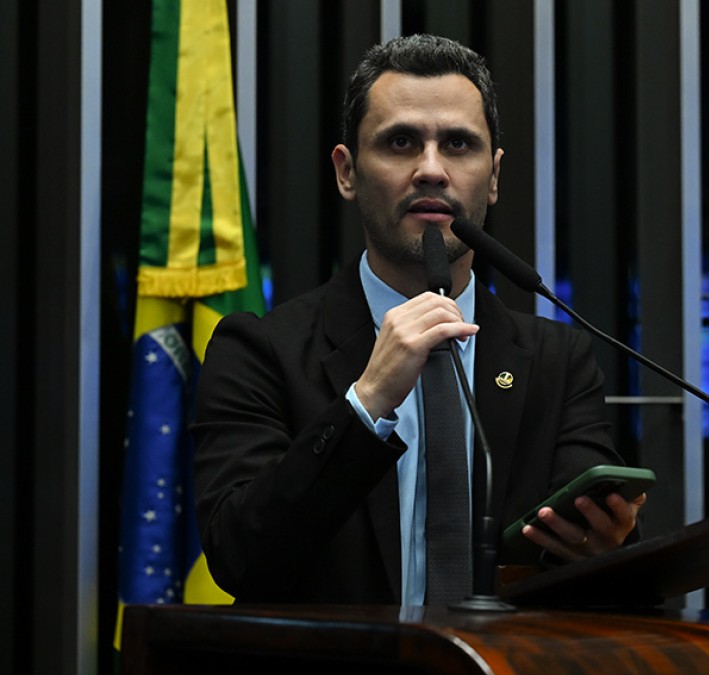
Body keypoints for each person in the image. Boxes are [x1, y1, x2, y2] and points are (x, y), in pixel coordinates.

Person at [192, 34, 646, 606]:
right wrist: (367, 403)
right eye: (401, 142)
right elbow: (239, 557)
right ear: (347, 172)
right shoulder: (260, 350)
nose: (431, 170)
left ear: (494, 176)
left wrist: (604, 543)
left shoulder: (558, 361)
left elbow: (596, 537)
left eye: (458, 144)